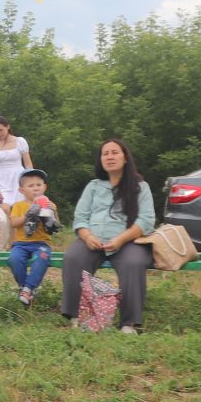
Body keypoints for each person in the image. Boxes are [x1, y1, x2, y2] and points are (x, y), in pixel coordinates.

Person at [59, 139, 156, 333]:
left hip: (128, 240)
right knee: (73, 258)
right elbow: (80, 217)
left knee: (133, 263)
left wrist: (121, 239)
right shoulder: (93, 186)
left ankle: (129, 323)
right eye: (105, 154)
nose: (110, 157)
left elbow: (146, 220)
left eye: (115, 152)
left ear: (125, 157)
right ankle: (77, 316)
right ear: (100, 160)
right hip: (93, 239)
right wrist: (87, 237)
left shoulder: (140, 187)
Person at [5, 168, 61, 306]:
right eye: (31, 186)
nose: (35, 189)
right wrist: (28, 215)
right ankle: (25, 287)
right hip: (21, 244)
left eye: (38, 185)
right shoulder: (19, 205)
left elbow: (56, 226)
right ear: (22, 190)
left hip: (41, 243)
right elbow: (13, 223)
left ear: (45, 187)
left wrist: (53, 210)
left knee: (42, 259)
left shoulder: (48, 204)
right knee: (14, 259)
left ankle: (28, 289)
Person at [0, 117, 35, 207]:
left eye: (1, 130)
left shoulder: (20, 141)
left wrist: (31, 180)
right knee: (2, 205)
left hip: (18, 176)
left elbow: (28, 163)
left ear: (8, 127)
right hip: (1, 177)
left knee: (21, 204)